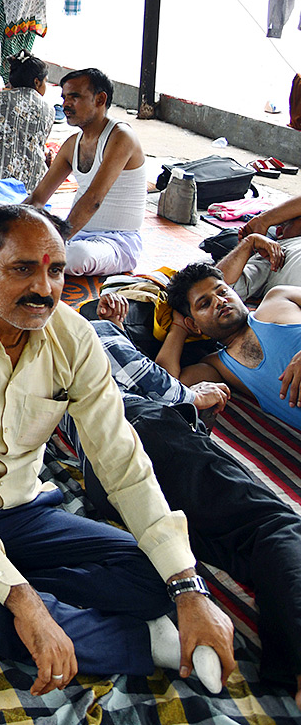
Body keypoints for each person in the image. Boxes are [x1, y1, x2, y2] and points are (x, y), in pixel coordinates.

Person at [0, 204, 235, 697]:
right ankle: (148, 643)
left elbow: (122, 462)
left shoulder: (75, 339)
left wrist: (187, 588)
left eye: (56, 270)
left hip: (23, 513)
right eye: (23, 269)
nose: (44, 288)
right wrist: (23, 602)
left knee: (158, 573)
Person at [79, 295, 301, 706]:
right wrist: (190, 396)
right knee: (271, 526)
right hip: (143, 437)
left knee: (246, 545)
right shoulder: (92, 333)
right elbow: (163, 386)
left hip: (104, 476)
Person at [25, 68, 147, 276]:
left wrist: (58, 240)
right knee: (6, 218)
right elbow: (38, 197)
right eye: (64, 97)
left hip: (116, 242)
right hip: (77, 234)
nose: (66, 105)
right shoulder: (72, 144)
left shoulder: (121, 136)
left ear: (100, 99)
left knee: (75, 257)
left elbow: (93, 199)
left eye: (75, 97)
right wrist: (10, 230)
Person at [159, 262, 301, 431]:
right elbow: (167, 387)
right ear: (194, 325)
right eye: (204, 304)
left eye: (222, 292)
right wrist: (178, 329)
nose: (219, 301)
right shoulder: (218, 366)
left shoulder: (278, 299)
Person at [0, 51, 55, 190]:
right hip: (33, 183)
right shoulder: (49, 109)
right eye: (46, 81)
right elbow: (38, 143)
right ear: (36, 82)